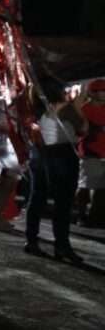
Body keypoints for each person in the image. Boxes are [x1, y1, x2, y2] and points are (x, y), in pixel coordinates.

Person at [25, 79, 86, 263]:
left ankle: (31, 240)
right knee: (63, 203)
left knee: (36, 198)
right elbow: (83, 129)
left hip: (39, 154)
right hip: (63, 154)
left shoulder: (33, 110)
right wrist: (78, 107)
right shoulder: (65, 108)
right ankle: (61, 245)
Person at [76, 79, 105, 227]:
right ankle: (81, 215)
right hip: (89, 151)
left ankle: (95, 215)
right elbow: (80, 129)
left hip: (103, 152)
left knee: (101, 186)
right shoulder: (84, 109)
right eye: (101, 90)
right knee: (85, 185)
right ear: (93, 93)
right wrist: (98, 129)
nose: (104, 93)